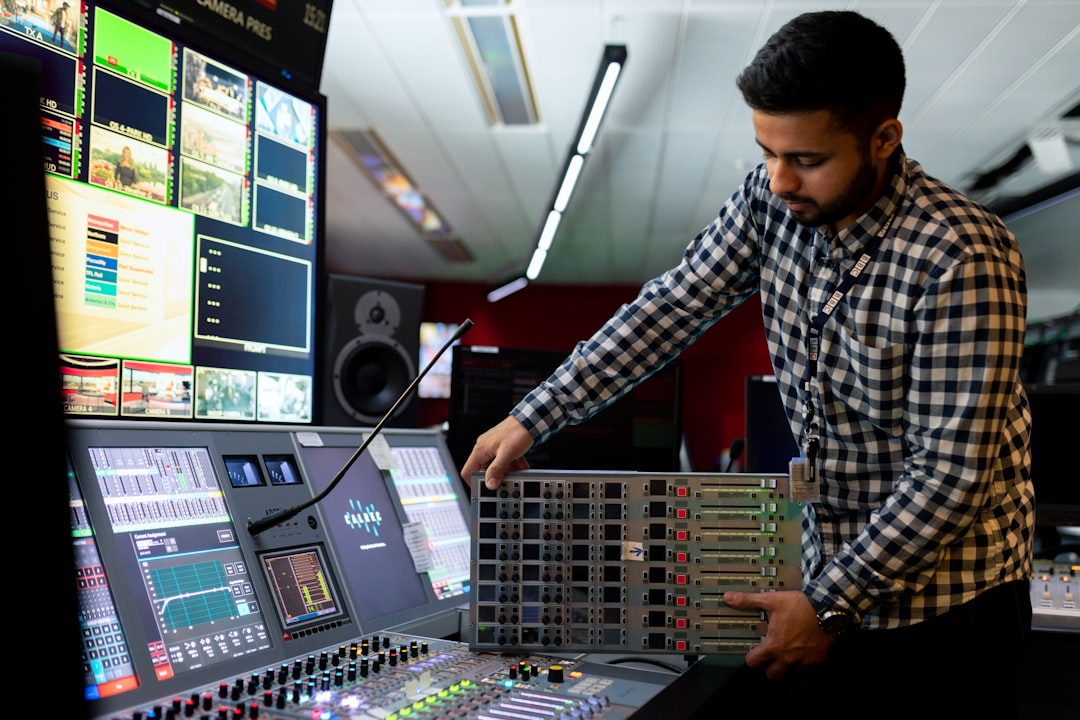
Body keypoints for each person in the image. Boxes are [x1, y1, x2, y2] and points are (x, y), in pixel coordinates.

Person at [460, 10, 1034, 718]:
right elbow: (671, 308)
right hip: (832, 580)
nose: (779, 179)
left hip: (949, 610)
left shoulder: (964, 254)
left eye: (808, 160)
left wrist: (823, 605)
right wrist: (534, 414)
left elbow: (950, 477)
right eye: (766, 151)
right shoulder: (771, 201)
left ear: (884, 139)